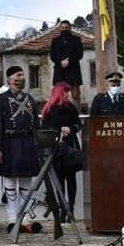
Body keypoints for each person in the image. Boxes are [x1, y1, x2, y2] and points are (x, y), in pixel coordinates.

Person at [0, 66, 42, 234]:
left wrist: (38, 144)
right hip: (9, 143)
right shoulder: (1, 100)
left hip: (27, 143)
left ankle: (25, 218)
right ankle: (13, 219)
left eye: (22, 74)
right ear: (9, 79)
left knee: (26, 180)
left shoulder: (29, 98)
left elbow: (37, 125)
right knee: (11, 181)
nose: (22, 77)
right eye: (18, 75)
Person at [40, 82, 82, 222]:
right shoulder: (49, 109)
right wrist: (57, 132)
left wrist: (70, 129)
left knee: (71, 179)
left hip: (69, 147)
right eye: (65, 92)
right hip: (55, 148)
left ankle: (70, 210)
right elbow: (45, 128)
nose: (68, 94)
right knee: (59, 181)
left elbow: (78, 124)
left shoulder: (70, 107)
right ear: (59, 92)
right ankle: (63, 211)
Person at [49, 20, 84, 110]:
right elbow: (52, 56)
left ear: (70, 28)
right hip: (60, 71)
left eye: (66, 28)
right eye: (63, 28)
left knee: (75, 95)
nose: (64, 29)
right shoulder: (55, 41)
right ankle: (60, 116)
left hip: (73, 71)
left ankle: (77, 116)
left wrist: (69, 61)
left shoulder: (76, 40)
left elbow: (80, 54)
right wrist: (60, 62)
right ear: (60, 28)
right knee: (59, 96)